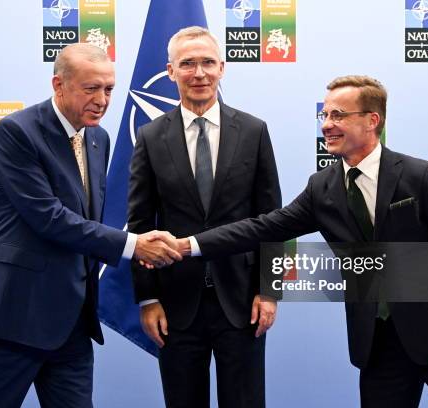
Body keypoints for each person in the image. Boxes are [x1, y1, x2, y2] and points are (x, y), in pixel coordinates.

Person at [177, 76, 428, 407]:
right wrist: (189, 245)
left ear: (372, 120)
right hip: (376, 346)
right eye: (325, 116)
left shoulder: (420, 176)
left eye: (338, 115)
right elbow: (263, 227)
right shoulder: (322, 188)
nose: (327, 125)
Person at [0, 43, 180, 408]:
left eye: (108, 89)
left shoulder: (98, 138)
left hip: (71, 326)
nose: (102, 100)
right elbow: (50, 218)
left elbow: (88, 220)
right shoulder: (17, 131)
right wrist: (133, 244)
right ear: (58, 85)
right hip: (8, 319)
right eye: (91, 88)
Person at [128, 26, 282, 408]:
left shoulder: (253, 131)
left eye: (208, 63)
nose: (199, 73)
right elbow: (140, 223)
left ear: (222, 68)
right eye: (188, 64)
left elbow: (272, 219)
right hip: (176, 305)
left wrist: (269, 290)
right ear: (170, 71)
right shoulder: (149, 137)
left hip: (242, 302)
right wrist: (147, 299)